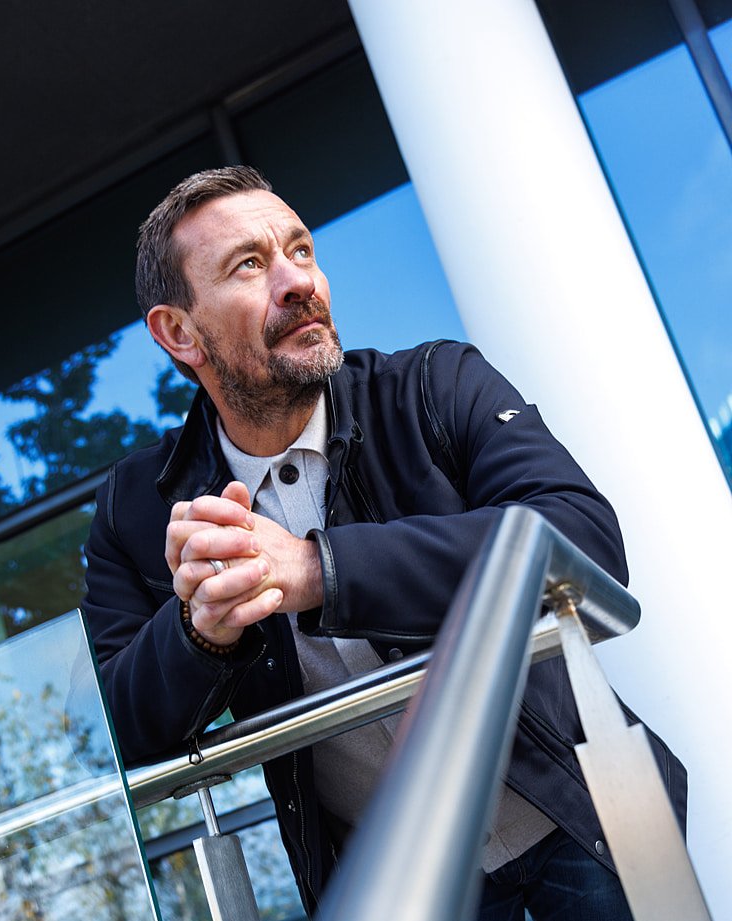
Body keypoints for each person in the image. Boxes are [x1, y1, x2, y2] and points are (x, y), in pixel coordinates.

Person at [83, 166, 686, 919]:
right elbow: (117, 735)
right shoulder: (136, 513)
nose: (298, 281)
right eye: (249, 264)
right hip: (404, 890)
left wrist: (315, 569)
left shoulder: (436, 383)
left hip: (580, 826)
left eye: (300, 250)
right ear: (179, 333)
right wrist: (199, 633)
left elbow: (582, 537)